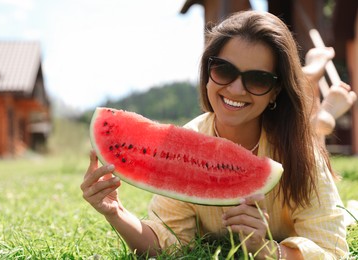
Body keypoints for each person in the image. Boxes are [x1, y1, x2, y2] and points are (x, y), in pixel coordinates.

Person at [81, 11, 349, 259]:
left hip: (296, 134)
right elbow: (166, 243)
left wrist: (266, 250)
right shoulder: (182, 148)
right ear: (207, 73)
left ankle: (319, 92)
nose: (235, 89)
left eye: (258, 80)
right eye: (223, 70)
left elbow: (332, 250)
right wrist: (115, 212)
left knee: (318, 127)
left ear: (274, 92)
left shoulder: (302, 155)